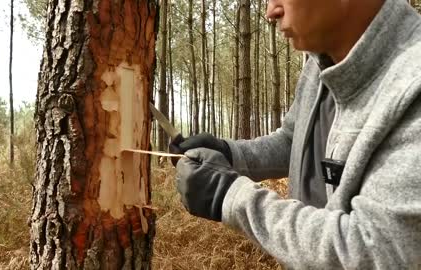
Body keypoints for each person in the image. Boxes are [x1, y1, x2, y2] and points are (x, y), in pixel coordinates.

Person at [171, 0, 421, 268]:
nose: (270, 12)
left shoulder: (412, 83)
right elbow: (295, 140)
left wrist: (231, 197)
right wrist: (231, 153)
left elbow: (373, 251)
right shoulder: (320, 62)